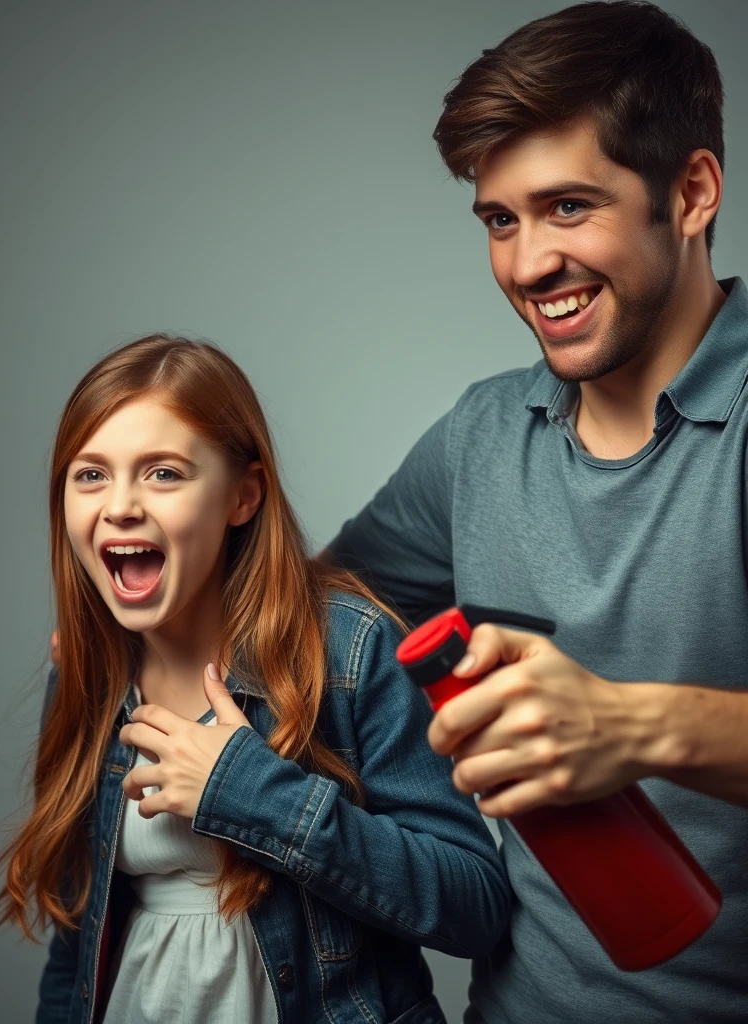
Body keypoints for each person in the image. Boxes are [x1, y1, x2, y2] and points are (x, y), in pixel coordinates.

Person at [325, 3, 748, 1022]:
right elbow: (306, 617)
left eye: (566, 208)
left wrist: (632, 724)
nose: (524, 266)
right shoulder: (481, 436)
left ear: (689, 193)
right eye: (499, 220)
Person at [0, 335, 510, 1024]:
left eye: (164, 473)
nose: (120, 505)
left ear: (242, 496)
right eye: (91, 474)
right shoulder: (87, 676)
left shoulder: (350, 654)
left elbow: (474, 905)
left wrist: (249, 792)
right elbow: (77, 946)